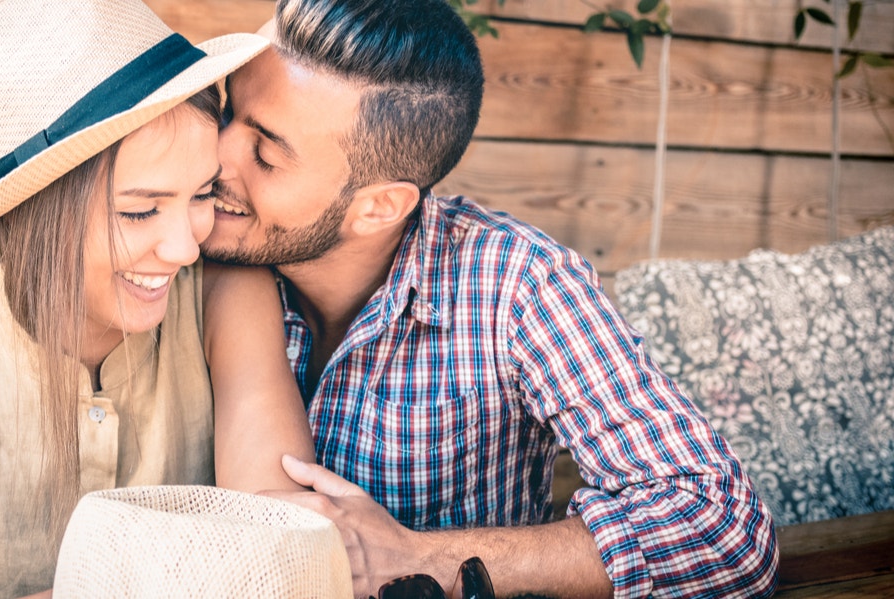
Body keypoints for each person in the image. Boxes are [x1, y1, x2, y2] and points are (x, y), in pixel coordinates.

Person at [200, 0, 779, 597]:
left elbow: (726, 532)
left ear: (380, 207)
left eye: (266, 155)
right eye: (226, 112)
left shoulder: (518, 285)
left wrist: (419, 555)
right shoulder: (178, 244)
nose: (216, 156)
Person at [0, 1, 314, 598]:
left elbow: (284, 551)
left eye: (201, 194)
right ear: (39, 219)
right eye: (139, 210)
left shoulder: (230, 297)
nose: (184, 249)